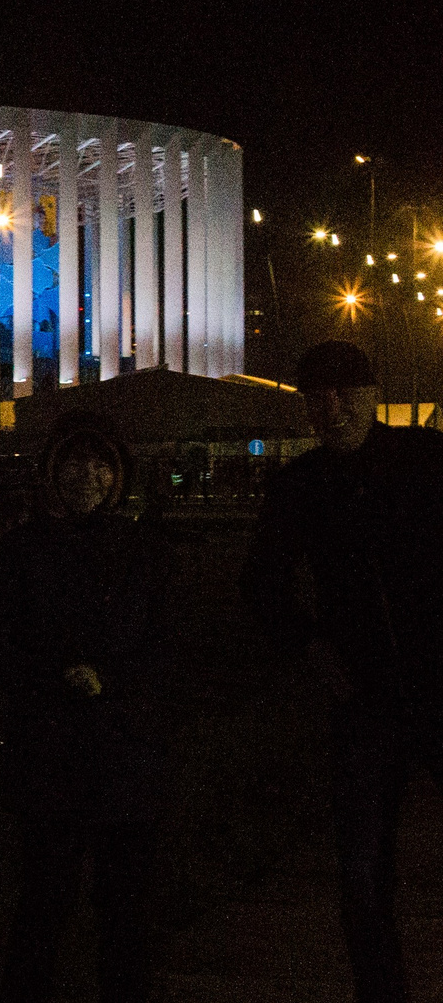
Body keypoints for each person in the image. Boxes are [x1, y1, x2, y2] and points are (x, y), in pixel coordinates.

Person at [241, 339, 443, 1003]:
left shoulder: (425, 462)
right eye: (318, 399)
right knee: (360, 872)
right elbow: (262, 586)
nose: (332, 410)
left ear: (371, 394)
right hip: (365, 703)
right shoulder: (298, 488)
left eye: (345, 395)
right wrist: (314, 651)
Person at [0, 412, 171, 1003]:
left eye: (99, 465)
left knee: (126, 906)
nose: (86, 476)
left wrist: (113, 685)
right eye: (73, 463)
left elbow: (165, 647)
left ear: (118, 475)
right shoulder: (23, 551)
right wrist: (53, 679)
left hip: (123, 755)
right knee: (43, 899)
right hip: (50, 754)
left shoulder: (143, 551)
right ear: (51, 472)